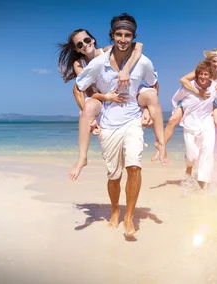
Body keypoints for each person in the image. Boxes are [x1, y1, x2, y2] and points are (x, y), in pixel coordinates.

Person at [75, 12, 160, 238]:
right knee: (114, 176)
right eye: (119, 34)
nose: (123, 39)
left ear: (133, 37)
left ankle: (129, 216)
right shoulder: (97, 64)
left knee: (134, 166)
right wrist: (91, 114)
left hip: (132, 120)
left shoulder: (143, 61)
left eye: (128, 35)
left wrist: (146, 111)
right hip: (109, 124)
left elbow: (154, 84)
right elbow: (79, 86)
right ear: (112, 35)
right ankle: (114, 210)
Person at [57, 29, 166, 181]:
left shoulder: (106, 51)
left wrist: (145, 108)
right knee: (80, 97)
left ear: (93, 40)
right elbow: (87, 92)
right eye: (80, 44)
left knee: (150, 95)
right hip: (101, 96)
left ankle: (160, 143)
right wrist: (106, 97)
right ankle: (82, 158)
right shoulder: (79, 64)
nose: (85, 45)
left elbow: (138, 46)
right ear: (77, 49)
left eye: (87, 40)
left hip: (124, 91)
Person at [153, 48, 217, 167]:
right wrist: (198, 92)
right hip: (191, 101)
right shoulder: (201, 70)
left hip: (207, 102)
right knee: (173, 120)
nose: (216, 64)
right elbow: (183, 80)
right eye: (214, 61)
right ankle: (161, 148)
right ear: (210, 60)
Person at [172, 60, 217, 191]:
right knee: (192, 155)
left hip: (207, 124)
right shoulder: (188, 86)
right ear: (197, 74)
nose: (203, 77)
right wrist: (178, 110)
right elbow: (176, 99)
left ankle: (204, 183)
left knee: (208, 151)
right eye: (201, 74)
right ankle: (189, 170)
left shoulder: (214, 86)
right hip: (189, 124)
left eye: (206, 74)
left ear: (210, 75)